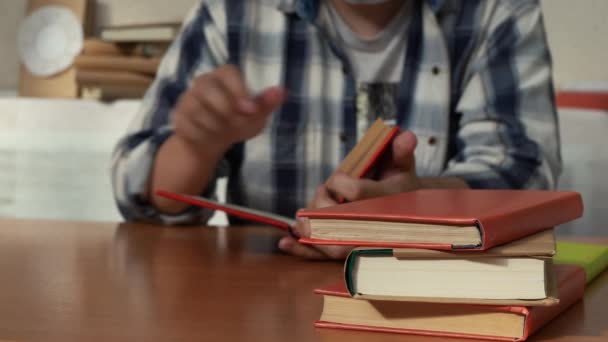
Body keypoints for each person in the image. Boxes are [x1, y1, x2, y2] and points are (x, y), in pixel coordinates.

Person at [111, 0, 561, 259]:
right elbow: (141, 192)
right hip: (260, 300)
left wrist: (419, 205)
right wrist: (195, 145)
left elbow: (525, 174)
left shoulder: (497, 9)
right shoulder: (233, 11)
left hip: (431, 297)